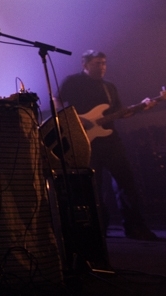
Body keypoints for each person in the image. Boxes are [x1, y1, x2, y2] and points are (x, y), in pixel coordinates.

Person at [57, 50, 158, 241]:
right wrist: (76, 119)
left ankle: (135, 227)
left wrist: (141, 107)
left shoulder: (109, 87)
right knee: (93, 186)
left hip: (111, 140)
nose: (102, 67)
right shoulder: (72, 81)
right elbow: (57, 101)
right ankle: (97, 229)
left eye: (104, 63)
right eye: (97, 63)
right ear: (85, 65)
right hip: (85, 141)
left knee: (126, 182)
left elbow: (121, 112)